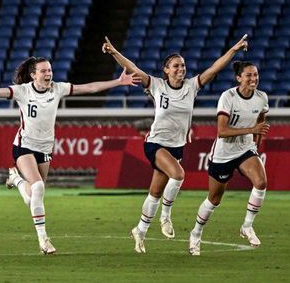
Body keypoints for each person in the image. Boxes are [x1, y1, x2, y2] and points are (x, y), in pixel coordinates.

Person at [0, 56, 140, 255]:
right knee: (38, 187)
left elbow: (89, 88)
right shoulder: (23, 91)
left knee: (34, 197)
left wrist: (118, 82)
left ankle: (17, 180)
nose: (48, 74)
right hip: (24, 146)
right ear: (33, 75)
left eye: (50, 70)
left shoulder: (58, 89)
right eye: (44, 71)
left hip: (45, 148)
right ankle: (43, 240)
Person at [102, 34, 249, 253]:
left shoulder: (192, 86)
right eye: (176, 66)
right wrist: (114, 53)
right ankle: (166, 216)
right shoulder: (157, 85)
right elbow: (132, 67)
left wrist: (234, 50)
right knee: (178, 175)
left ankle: (140, 231)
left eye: (183, 65)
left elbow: (214, 68)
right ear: (166, 70)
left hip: (176, 146)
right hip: (155, 143)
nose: (181, 69)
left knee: (155, 193)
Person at [188, 61, 270, 256]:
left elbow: (261, 118)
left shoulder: (261, 97)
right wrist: (252, 130)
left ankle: (247, 226)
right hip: (223, 154)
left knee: (261, 182)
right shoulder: (228, 97)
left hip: (245, 149)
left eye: (256, 75)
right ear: (239, 78)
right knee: (214, 199)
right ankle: (196, 233)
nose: (253, 79)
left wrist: (256, 139)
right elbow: (222, 131)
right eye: (249, 75)